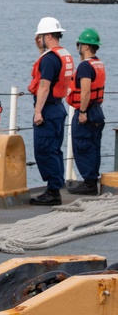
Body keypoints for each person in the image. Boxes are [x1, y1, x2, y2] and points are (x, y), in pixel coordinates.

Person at [28, 17, 75, 205]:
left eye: (40, 36)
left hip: (48, 109)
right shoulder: (63, 54)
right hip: (58, 107)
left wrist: (37, 112)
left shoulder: (49, 59)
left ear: (47, 36)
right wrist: (41, 49)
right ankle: (54, 186)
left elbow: (45, 86)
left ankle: (53, 191)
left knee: (44, 149)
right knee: (54, 149)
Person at [67, 28, 106, 195]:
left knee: (83, 146)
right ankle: (91, 180)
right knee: (94, 146)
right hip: (97, 110)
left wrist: (82, 112)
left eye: (79, 44)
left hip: (87, 110)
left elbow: (85, 91)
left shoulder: (85, 66)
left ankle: (89, 183)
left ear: (84, 47)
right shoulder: (99, 64)